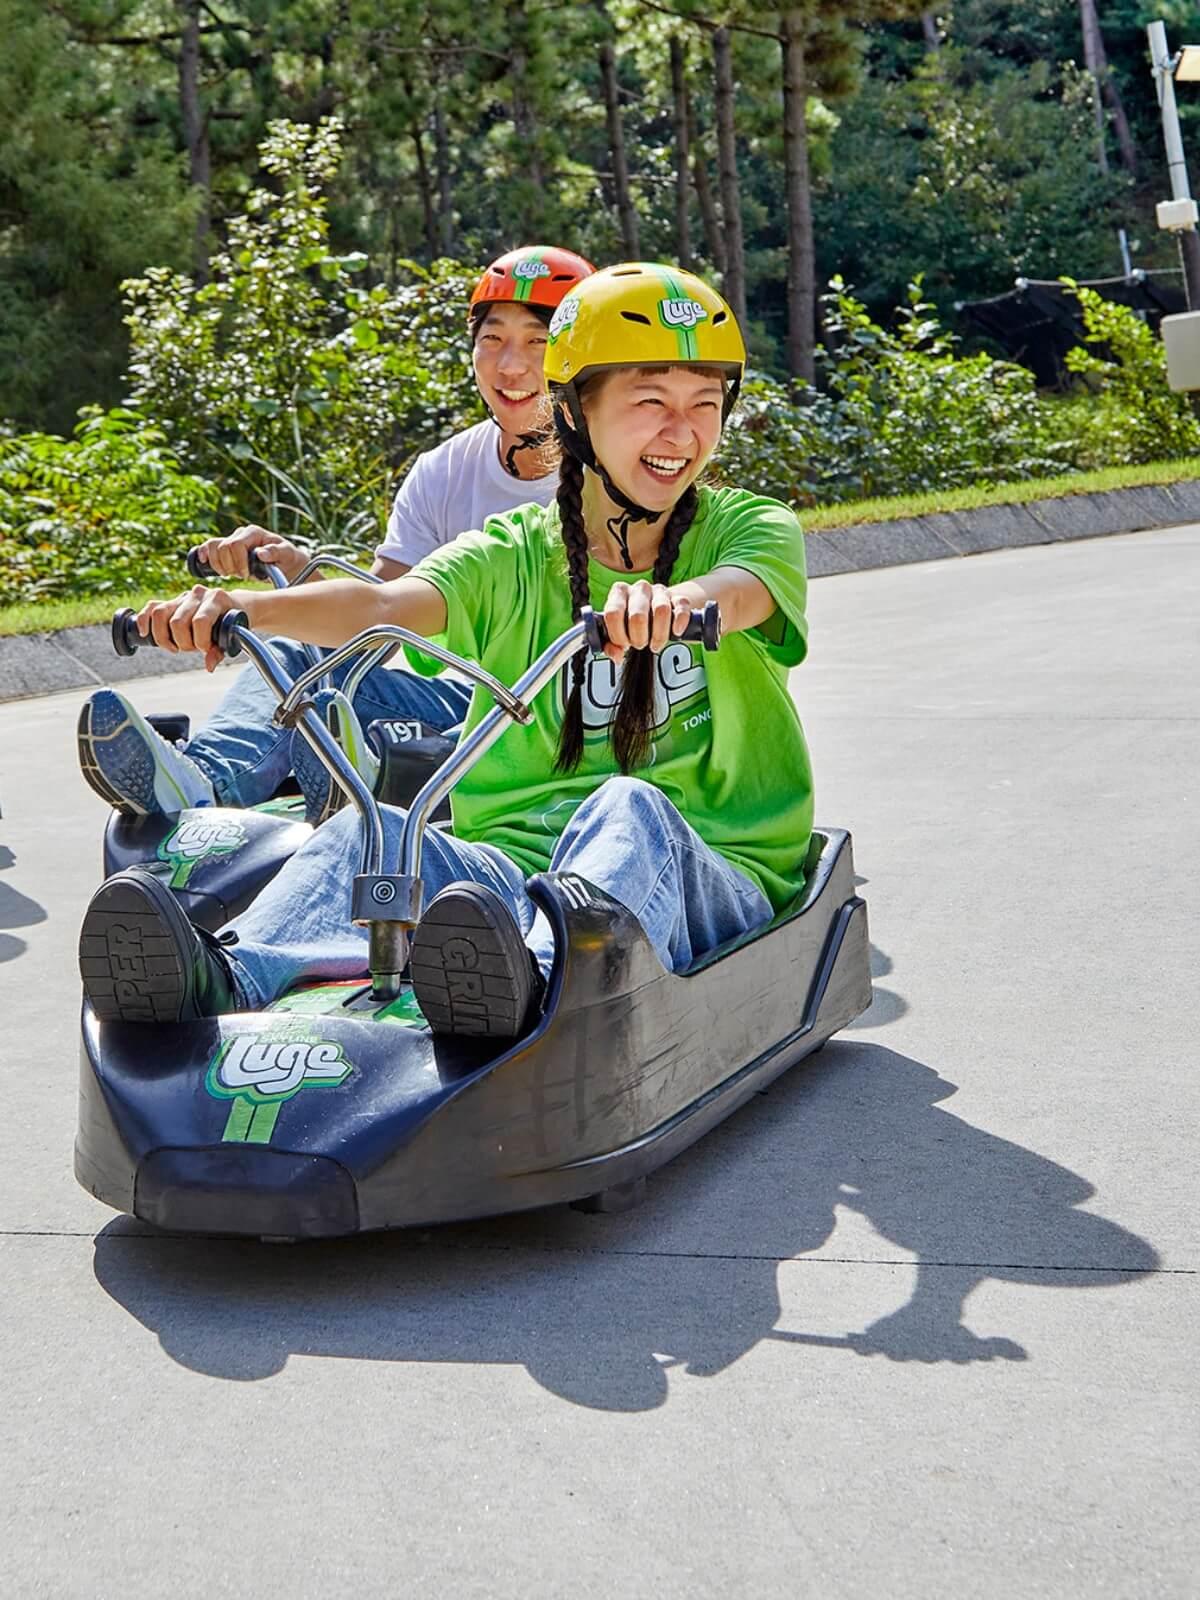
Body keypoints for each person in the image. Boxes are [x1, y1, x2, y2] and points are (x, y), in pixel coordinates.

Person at [78, 263, 814, 1044]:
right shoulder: (513, 553)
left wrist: (677, 601)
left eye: (706, 405)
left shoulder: (751, 527)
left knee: (629, 806)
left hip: (712, 866)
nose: (684, 433)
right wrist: (244, 608)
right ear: (573, 413)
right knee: (373, 833)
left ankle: (534, 984)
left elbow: (741, 590)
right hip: (515, 868)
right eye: (651, 403)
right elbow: (383, 605)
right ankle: (225, 974)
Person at [75, 245, 595, 824]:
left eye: (537, 343)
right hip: (451, 697)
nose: (509, 367)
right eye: (492, 339)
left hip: (555, 721)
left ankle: (373, 770)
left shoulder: (610, 478)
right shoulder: (444, 470)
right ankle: (204, 781)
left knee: (389, 720)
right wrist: (297, 576)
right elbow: (378, 619)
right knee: (299, 651)